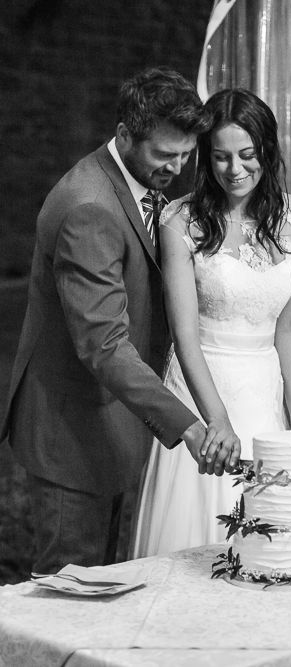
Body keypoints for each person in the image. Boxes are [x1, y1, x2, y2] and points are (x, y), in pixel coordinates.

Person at [0, 68, 239, 575]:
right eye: (164, 154)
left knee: (107, 588)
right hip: (71, 433)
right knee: (69, 594)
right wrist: (190, 428)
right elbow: (105, 344)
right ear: (125, 134)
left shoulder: (138, 184)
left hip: (112, 426)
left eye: (186, 154)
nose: (177, 167)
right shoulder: (89, 206)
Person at [131, 88, 291, 557]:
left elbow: (290, 328)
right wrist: (218, 423)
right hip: (201, 389)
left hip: (263, 393)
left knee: (272, 548)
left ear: (267, 151)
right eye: (220, 157)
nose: (234, 170)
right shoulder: (181, 220)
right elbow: (184, 336)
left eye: (247, 155)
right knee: (198, 541)